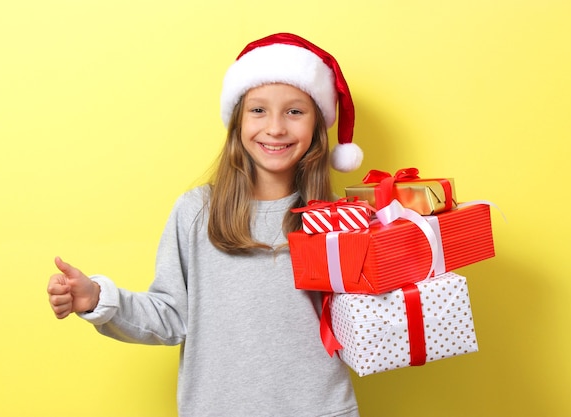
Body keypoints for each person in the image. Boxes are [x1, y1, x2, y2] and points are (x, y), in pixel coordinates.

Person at [47, 32, 364, 416]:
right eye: (258, 110)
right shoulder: (196, 212)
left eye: (295, 111)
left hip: (320, 408)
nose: (276, 128)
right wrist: (98, 299)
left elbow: (368, 324)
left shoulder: (340, 221)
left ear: (317, 126)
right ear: (237, 120)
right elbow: (170, 316)